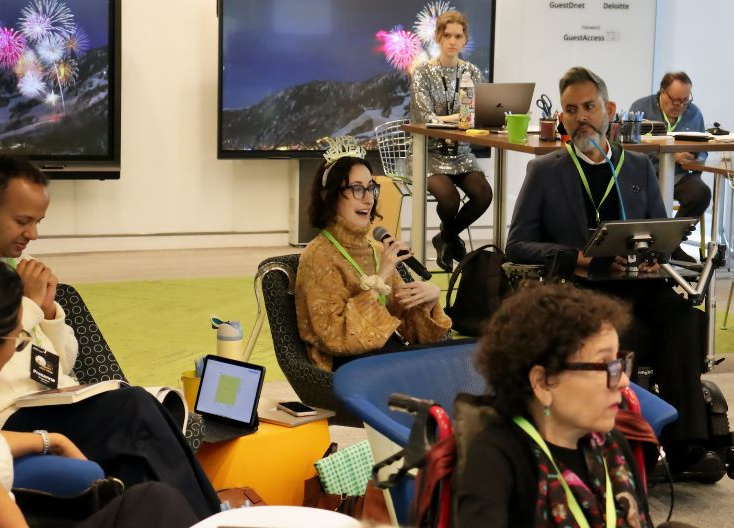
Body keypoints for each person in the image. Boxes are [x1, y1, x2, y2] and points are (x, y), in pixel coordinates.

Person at [0, 156, 220, 518]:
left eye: (38, 222)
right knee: (135, 409)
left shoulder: (22, 265)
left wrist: (49, 314)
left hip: (52, 399)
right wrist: (28, 304)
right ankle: (213, 520)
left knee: (142, 433)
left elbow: (63, 362)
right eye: (22, 221)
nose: (33, 234)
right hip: (4, 414)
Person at [505, 67, 723, 481]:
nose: (580, 117)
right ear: (562, 117)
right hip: (580, 289)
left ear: (609, 109)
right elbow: (516, 244)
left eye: (589, 107)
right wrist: (579, 258)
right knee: (623, 332)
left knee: (684, 319)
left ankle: (688, 446)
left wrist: (657, 255)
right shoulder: (546, 171)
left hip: (638, 282)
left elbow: (661, 234)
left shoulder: (637, 167)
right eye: (571, 110)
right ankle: (629, 449)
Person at [0, 259, 199, 528]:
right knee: (157, 501)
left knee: (153, 498)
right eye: (19, 342)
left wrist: (52, 440)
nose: (17, 350)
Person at [456, 283, 701, 528]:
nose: (624, 381)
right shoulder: (495, 458)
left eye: (619, 362)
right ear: (543, 382)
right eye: (604, 365)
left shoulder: (613, 444)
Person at [295, 138, 451, 371]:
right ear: (329, 196)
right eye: (357, 189)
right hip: (347, 368)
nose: (368, 199)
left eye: (371, 188)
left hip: (385, 357)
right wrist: (381, 278)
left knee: (453, 363)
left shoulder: (377, 250)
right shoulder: (318, 256)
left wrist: (428, 302)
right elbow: (334, 335)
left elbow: (409, 330)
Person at [410, 10, 492, 272]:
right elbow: (424, 117)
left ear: (465, 39)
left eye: (458, 36)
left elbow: (480, 114)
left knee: (483, 194)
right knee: (450, 199)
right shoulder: (423, 72)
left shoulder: (472, 72)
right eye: (447, 35)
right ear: (438, 37)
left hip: (461, 154)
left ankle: (445, 237)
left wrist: (453, 119)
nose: (453, 41)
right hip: (428, 153)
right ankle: (449, 238)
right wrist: (459, 117)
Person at [629, 72, 709, 262]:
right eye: (676, 100)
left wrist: (697, 160)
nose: (680, 105)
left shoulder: (694, 113)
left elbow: (704, 149)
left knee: (701, 194)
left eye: (685, 100)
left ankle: (671, 244)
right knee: (636, 197)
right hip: (646, 173)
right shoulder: (641, 109)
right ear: (662, 92)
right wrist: (669, 155)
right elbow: (630, 148)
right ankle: (647, 250)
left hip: (679, 175)